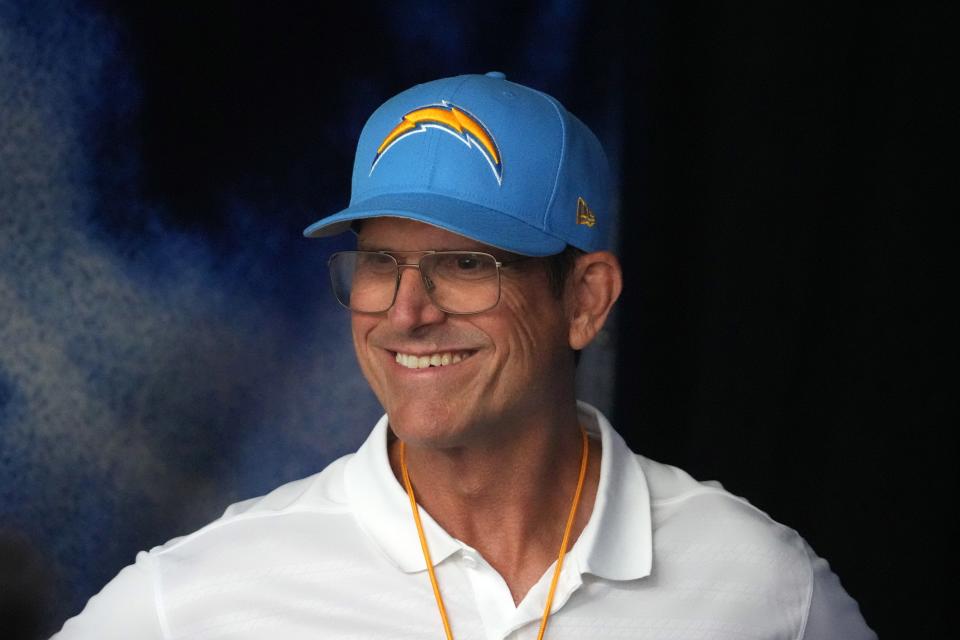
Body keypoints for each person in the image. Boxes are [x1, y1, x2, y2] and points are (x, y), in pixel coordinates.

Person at [53, 72, 875, 639]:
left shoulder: (758, 583)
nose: (408, 312)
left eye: (467, 263)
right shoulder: (208, 591)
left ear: (585, 298)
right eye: (380, 262)